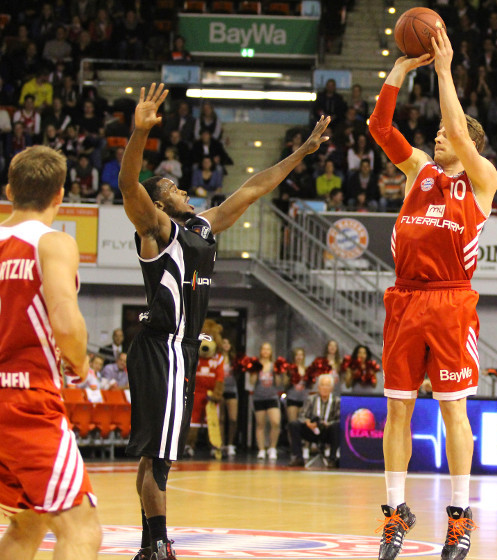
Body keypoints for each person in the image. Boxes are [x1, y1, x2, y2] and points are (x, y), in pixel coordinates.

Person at [120, 83, 329, 560]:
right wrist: (138, 135)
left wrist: (302, 151)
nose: (185, 191)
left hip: (182, 348)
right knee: (161, 459)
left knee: (156, 453)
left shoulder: (199, 227)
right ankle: (158, 546)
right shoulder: (156, 229)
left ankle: (150, 544)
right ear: (159, 202)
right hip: (164, 346)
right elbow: (129, 186)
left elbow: (254, 187)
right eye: (174, 189)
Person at [368, 28, 497, 560]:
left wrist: (444, 70)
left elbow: (460, 135)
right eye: (441, 131)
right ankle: (396, 512)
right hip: (405, 300)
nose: (440, 136)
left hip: (450, 301)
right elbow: (380, 127)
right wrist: (400, 71)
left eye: (451, 131)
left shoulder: (481, 178)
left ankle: (460, 519)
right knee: (398, 412)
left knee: (452, 415)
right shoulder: (417, 170)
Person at [0, 145, 101, 558]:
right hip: (27, 401)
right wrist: (79, 364)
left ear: (9, 190)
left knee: (27, 523)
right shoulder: (52, 243)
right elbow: (65, 321)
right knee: (81, 529)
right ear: (60, 195)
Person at [288, 374, 341, 467]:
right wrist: (307, 422)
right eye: (322, 385)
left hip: (327, 430)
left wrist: (327, 424)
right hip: (312, 429)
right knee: (294, 424)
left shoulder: (337, 401)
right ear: (318, 387)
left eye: (327, 385)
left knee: (336, 427)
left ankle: (333, 459)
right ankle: (298, 457)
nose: (324, 388)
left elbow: (339, 419)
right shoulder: (311, 399)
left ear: (332, 388)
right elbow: (302, 415)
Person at [252, 342, 284, 462]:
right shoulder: (256, 365)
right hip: (259, 397)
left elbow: (279, 383)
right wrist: (255, 370)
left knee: (275, 422)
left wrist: (278, 372)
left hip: (272, 396)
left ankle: (272, 447)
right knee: (260, 424)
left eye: (268, 349)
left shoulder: (273, 365)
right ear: (261, 351)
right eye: (263, 349)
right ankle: (261, 449)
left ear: (271, 352)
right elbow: (252, 382)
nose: (265, 351)